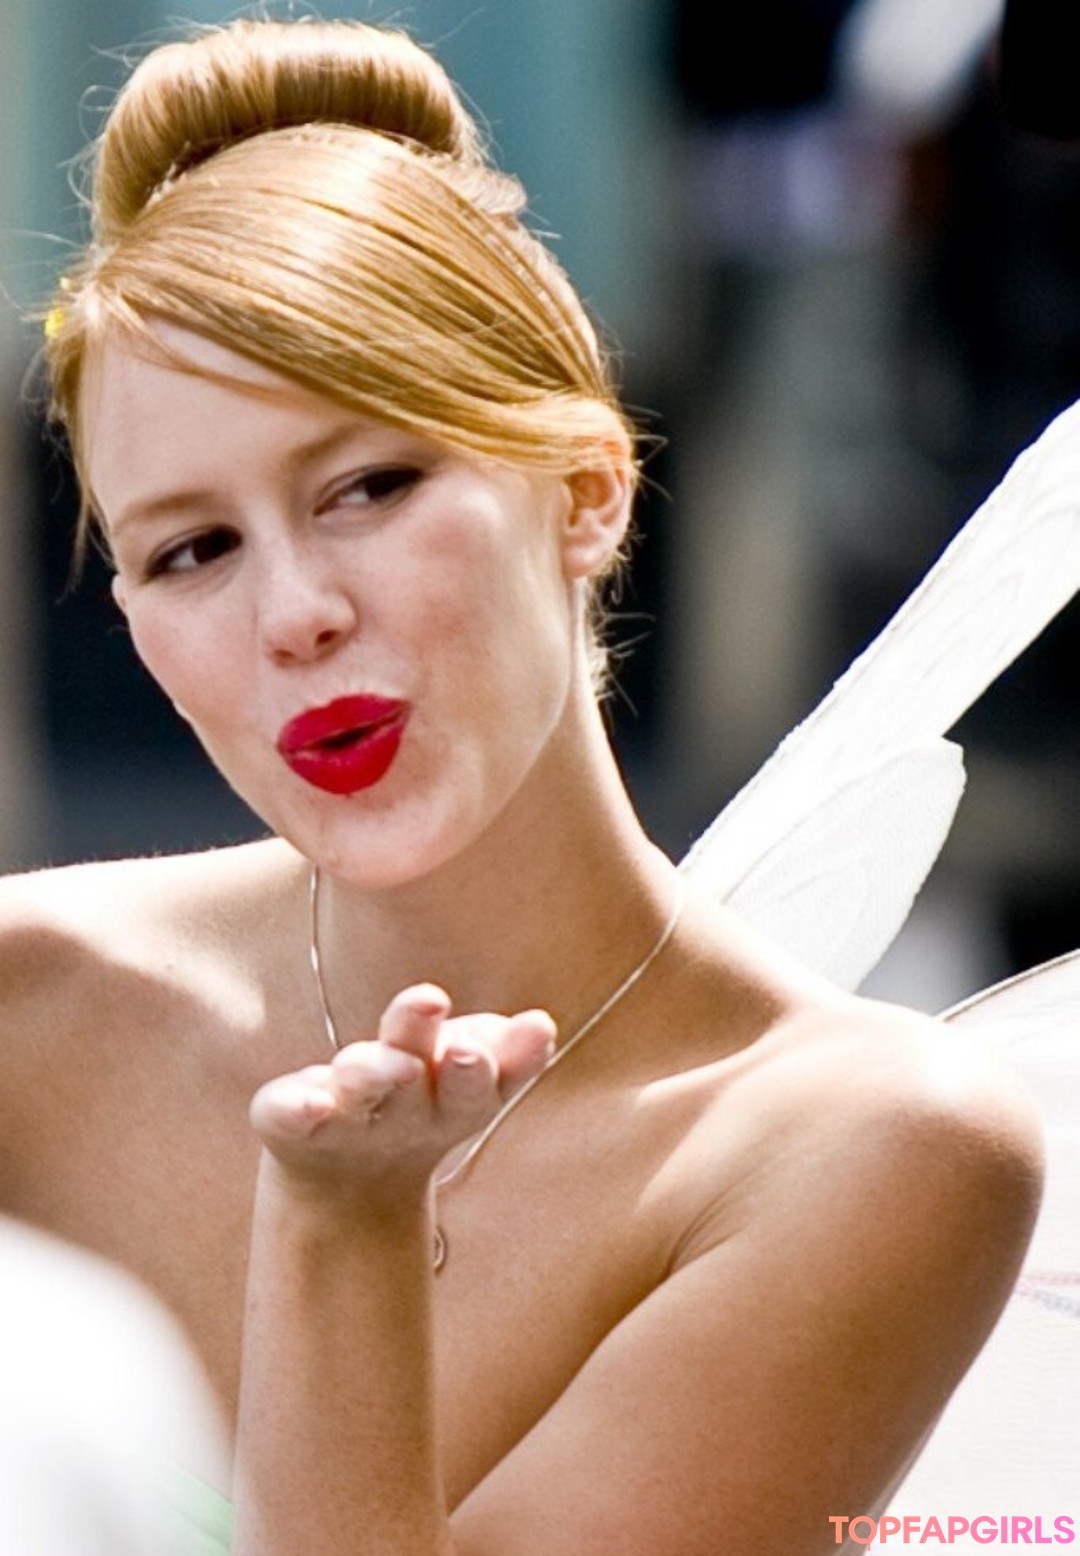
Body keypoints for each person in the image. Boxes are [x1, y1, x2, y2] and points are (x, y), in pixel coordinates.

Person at [9, 16, 1045, 1554]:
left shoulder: (865, 1146)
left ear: (586, 490)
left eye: (370, 486)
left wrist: (343, 1235)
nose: (295, 611)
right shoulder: (28, 1010)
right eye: (193, 550)